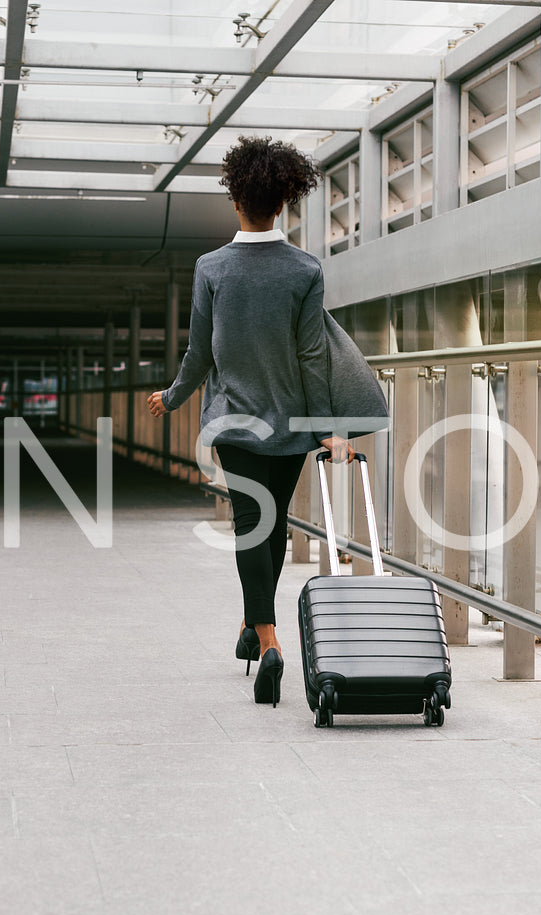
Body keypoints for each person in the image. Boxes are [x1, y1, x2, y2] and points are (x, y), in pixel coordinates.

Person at [146, 135, 354, 708]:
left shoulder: (211, 268)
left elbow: (201, 353)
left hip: (233, 425)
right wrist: (330, 426)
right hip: (290, 426)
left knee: (249, 526)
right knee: (275, 525)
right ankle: (252, 625)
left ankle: (268, 643)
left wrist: (174, 395)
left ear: (236, 199)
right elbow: (313, 355)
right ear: (283, 202)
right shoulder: (304, 270)